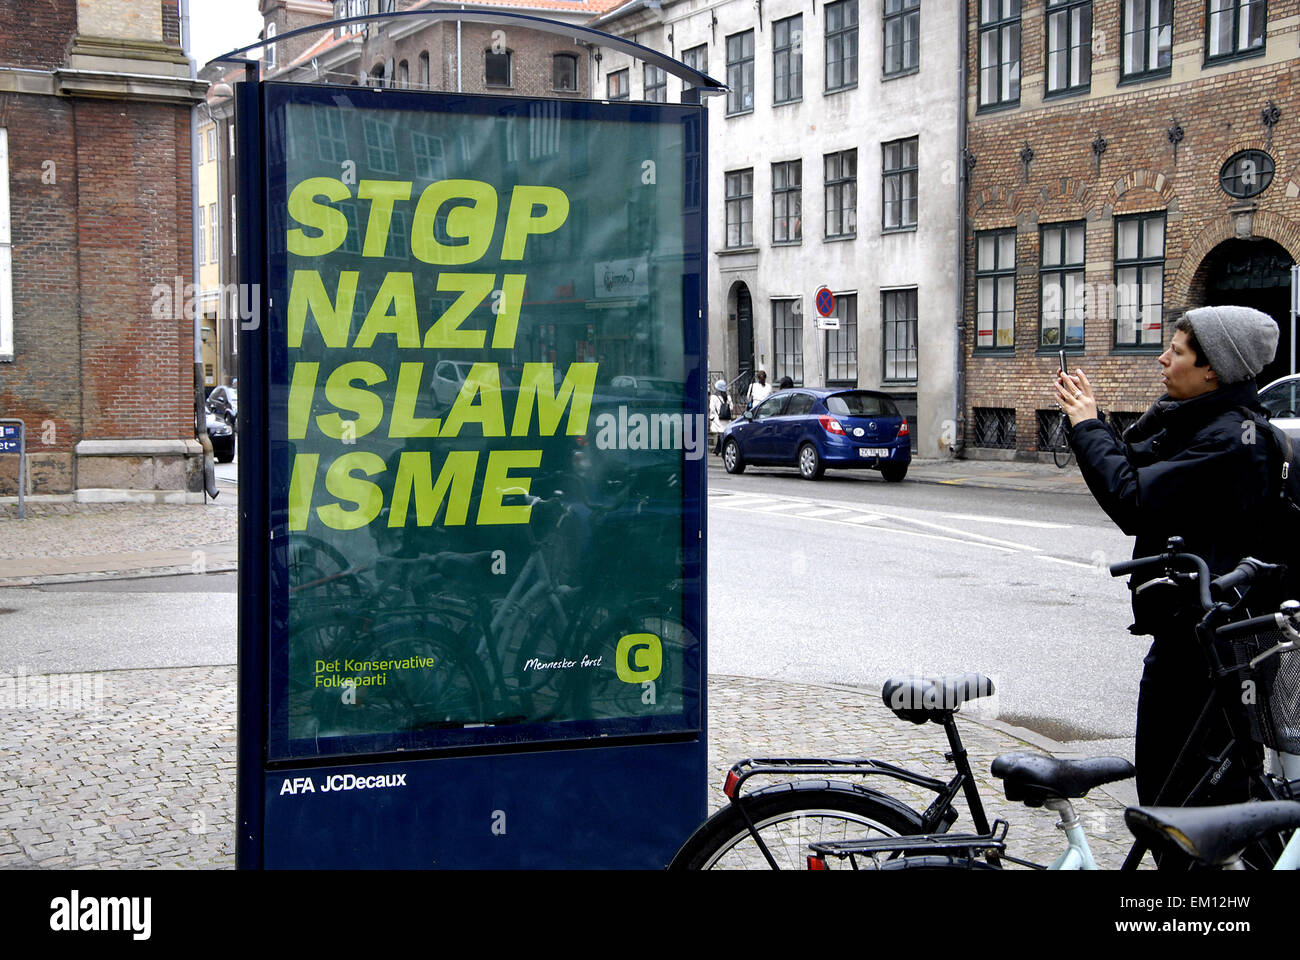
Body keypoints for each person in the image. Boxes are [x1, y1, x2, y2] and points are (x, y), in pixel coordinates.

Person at [1055, 305, 1279, 810]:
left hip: (1209, 653)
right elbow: (1134, 461)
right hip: (1191, 637)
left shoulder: (1231, 441)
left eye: (1175, 352)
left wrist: (1089, 426)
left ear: (1213, 370)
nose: (1161, 360)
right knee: (1171, 790)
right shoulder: (1198, 421)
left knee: (1181, 796)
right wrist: (1089, 420)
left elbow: (1133, 500)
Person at [708, 378, 729, 453]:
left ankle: (722, 449)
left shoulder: (714, 397)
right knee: (722, 433)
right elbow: (732, 407)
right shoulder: (728, 397)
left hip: (718, 417)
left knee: (721, 434)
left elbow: (712, 408)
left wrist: (711, 417)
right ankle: (717, 449)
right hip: (726, 417)